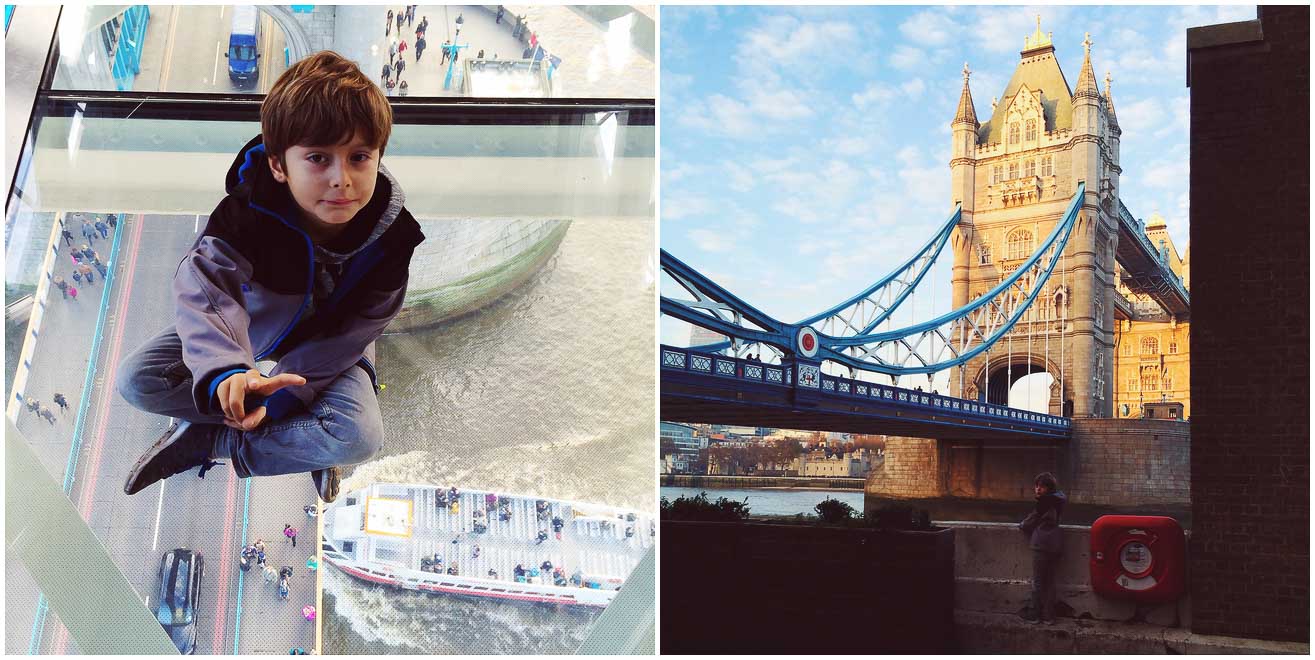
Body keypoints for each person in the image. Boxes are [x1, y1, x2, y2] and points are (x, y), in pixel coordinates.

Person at [115, 52, 424, 505]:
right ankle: (302, 446)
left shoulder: (394, 238)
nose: (343, 180)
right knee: (138, 380)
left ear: (378, 156)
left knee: (360, 436)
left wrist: (276, 402)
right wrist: (228, 372)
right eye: (318, 158)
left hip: (329, 344)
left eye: (360, 157)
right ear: (279, 166)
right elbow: (205, 287)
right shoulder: (250, 209)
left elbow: (356, 331)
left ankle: (215, 441)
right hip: (254, 324)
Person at [1019, 472, 1066, 625]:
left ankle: (1034, 614)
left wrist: (1021, 525)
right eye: (1036, 486)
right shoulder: (1059, 500)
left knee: (1038, 581)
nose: (1038, 489)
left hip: (1041, 544)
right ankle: (1049, 616)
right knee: (1050, 582)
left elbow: (1029, 523)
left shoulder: (1044, 503)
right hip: (1055, 544)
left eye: (1042, 486)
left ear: (1049, 488)